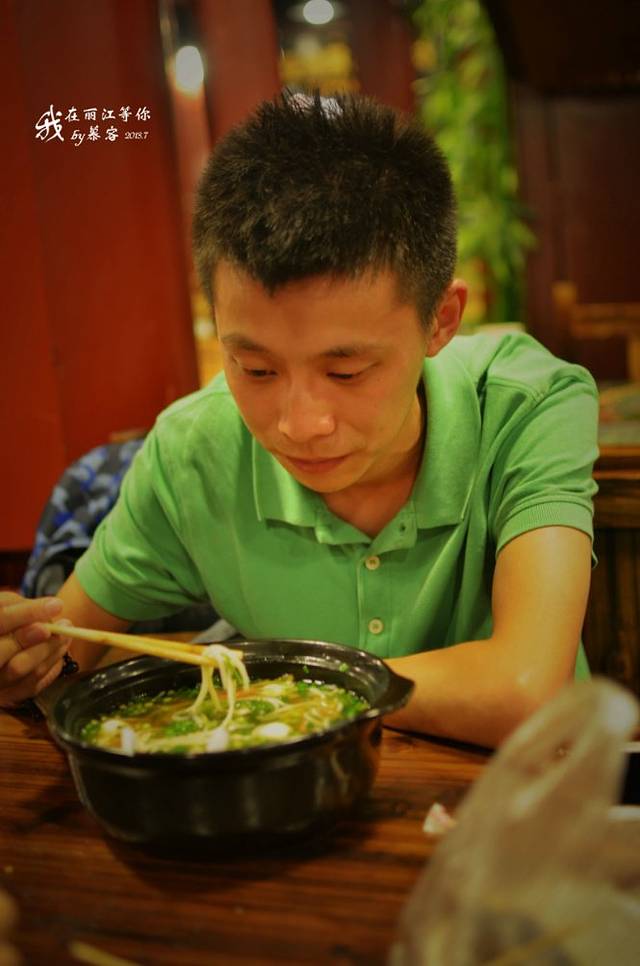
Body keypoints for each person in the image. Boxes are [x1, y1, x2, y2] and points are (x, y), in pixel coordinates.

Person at [0, 93, 598, 747]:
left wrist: (286, 689)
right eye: (256, 370)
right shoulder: (194, 450)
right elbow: (66, 653)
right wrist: (24, 661)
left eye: (347, 372)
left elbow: (526, 691)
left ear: (441, 320)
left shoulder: (526, 405)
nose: (299, 424)